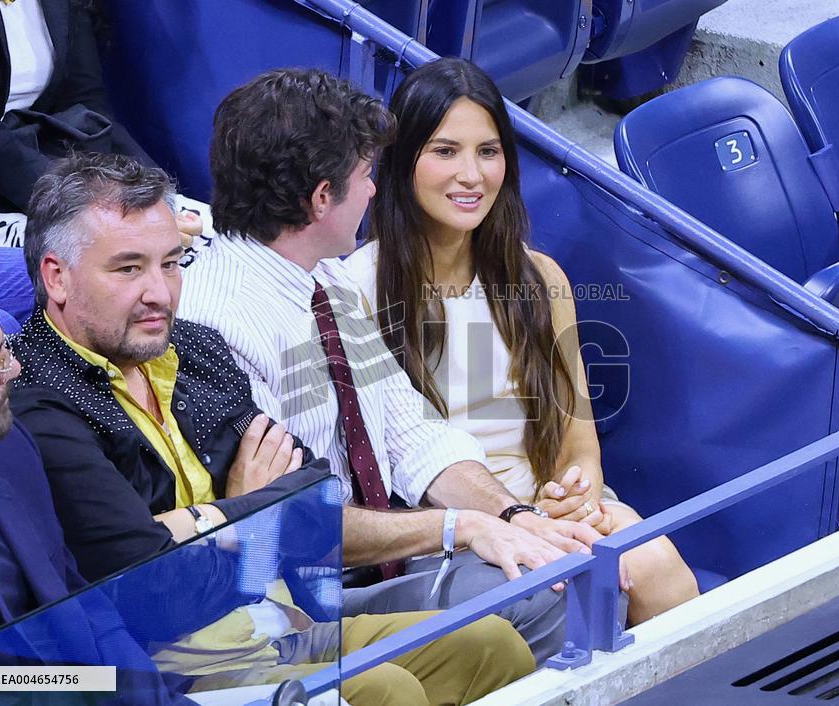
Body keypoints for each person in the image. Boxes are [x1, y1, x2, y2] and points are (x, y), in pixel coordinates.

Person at [8, 151, 534, 705]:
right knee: (382, 692)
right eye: (128, 268)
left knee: (491, 645)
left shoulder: (192, 348)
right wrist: (254, 510)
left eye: (170, 263)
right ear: (57, 277)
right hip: (167, 675)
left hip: (279, 627)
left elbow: (318, 500)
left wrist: (210, 519)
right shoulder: (37, 400)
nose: (159, 293)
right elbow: (155, 591)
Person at [179, 67, 623, 663]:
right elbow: (291, 517)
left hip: (370, 570)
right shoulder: (219, 320)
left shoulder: (324, 278)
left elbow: (412, 435)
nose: (373, 190)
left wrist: (514, 516)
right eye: (365, 175)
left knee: (567, 571)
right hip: (299, 600)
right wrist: (461, 527)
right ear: (320, 199)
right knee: (551, 590)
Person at [344, 57, 700, 624]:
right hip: (455, 534)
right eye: (444, 151)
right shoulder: (355, 291)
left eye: (488, 151)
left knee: (653, 564)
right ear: (403, 160)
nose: (472, 175)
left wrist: (575, 494)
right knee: (585, 585)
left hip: (547, 506)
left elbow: (576, 435)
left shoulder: (540, 278)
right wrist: (520, 520)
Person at [0, 261, 194, 705]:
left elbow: (82, 600)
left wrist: (145, 693)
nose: (15, 371)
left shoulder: (8, 449)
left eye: (6, 352)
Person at [0, 0, 202, 246]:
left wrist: (156, 194)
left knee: (200, 234)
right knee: (126, 254)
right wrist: (95, 211)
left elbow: (89, 109)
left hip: (44, 176)